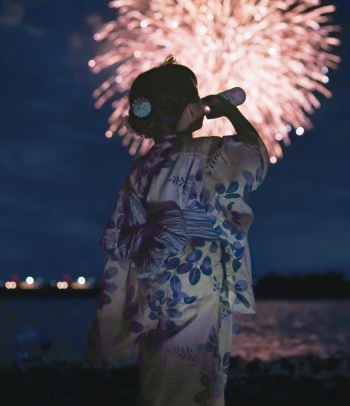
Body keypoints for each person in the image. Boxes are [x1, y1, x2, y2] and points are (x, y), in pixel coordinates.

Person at [86, 55, 269, 405]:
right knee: (197, 375)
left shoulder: (140, 169)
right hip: (199, 280)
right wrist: (230, 111)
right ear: (190, 109)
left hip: (153, 282)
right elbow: (254, 156)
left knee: (160, 370)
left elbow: (122, 237)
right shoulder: (207, 153)